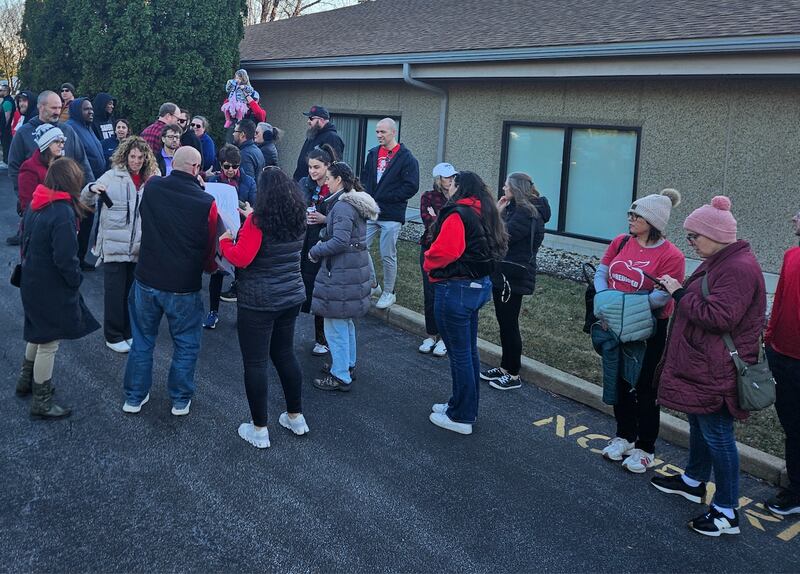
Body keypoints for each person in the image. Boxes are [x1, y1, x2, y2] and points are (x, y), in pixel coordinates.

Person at [651, 195, 766, 537]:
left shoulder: (738, 268)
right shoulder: (723, 261)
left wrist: (679, 293)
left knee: (718, 434)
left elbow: (719, 317)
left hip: (718, 370)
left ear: (715, 234)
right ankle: (693, 480)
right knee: (700, 425)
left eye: (694, 236)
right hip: (704, 365)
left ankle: (727, 511)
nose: (690, 242)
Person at [588, 189, 685, 472]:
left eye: (636, 215)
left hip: (648, 328)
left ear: (653, 221)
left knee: (644, 387)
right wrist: (606, 300)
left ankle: (645, 448)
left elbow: (662, 297)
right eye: (630, 214)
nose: (630, 219)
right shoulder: (620, 242)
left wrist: (620, 306)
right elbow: (601, 272)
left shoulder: (672, 256)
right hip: (613, 323)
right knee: (618, 381)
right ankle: (625, 435)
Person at [122, 147, 218, 416]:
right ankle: (179, 399)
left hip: (147, 277)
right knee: (186, 344)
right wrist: (210, 267)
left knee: (142, 340)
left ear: (172, 164)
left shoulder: (152, 188)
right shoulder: (206, 202)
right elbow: (209, 245)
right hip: (183, 284)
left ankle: (134, 396)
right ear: (197, 169)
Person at [219, 167, 309, 448]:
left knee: (255, 363)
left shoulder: (258, 221)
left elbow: (242, 258)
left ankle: (259, 429)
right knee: (284, 355)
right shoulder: (297, 217)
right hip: (290, 295)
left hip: (259, 301)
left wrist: (224, 242)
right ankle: (296, 416)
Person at [423, 171, 508, 435]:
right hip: (477, 285)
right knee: (467, 351)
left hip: (456, 287)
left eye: (453, 182)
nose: (448, 185)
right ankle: (460, 405)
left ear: (460, 187)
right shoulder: (485, 211)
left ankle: (461, 415)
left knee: (460, 354)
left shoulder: (459, 213)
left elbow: (446, 251)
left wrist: (427, 259)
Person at [16, 157, 99, 417]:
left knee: (36, 333)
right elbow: (65, 258)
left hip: (30, 280)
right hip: (49, 286)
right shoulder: (62, 211)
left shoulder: (37, 202)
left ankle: (25, 381)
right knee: (49, 343)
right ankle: (41, 400)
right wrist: (75, 280)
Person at [80, 136, 159, 353]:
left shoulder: (152, 180)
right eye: (132, 156)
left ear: (146, 159)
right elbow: (85, 199)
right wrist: (91, 188)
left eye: (140, 157)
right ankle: (113, 335)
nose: (136, 161)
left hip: (138, 248)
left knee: (131, 295)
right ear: (125, 155)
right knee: (114, 294)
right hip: (114, 247)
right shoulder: (112, 176)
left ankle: (127, 331)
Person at [309, 161, 380, 392]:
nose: (326, 183)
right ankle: (347, 365)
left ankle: (340, 375)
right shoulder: (354, 202)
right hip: (352, 269)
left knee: (335, 325)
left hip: (340, 272)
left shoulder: (341, 206)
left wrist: (315, 250)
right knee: (345, 322)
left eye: (328, 178)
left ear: (338, 179)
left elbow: (339, 241)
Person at [480, 172, 553, 391]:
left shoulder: (527, 213)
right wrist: (500, 208)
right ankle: (505, 367)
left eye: (506, 186)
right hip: (505, 273)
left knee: (510, 325)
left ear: (516, 188)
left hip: (513, 275)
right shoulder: (518, 209)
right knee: (505, 323)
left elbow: (498, 237)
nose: (503, 189)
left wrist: (497, 212)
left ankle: (513, 374)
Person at [7, 91, 95, 247]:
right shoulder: (24, 133)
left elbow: (81, 160)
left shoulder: (68, 131)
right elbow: (14, 167)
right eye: (53, 107)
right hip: (38, 205)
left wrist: (90, 187)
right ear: (40, 107)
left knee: (66, 245)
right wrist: (22, 197)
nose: (57, 111)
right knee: (41, 249)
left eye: (59, 107)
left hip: (68, 201)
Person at [763, 209, 800, 516]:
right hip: (783, 357)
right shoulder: (791, 255)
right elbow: (780, 301)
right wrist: (769, 341)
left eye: (798, 214)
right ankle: (795, 489)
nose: (793, 218)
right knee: (793, 426)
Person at [362, 118, 420, 310]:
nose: (379, 135)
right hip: (371, 211)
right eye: (377, 132)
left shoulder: (406, 158)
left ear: (393, 132)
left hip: (392, 214)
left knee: (388, 254)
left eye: (382, 132)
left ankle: (389, 292)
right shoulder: (372, 154)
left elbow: (411, 186)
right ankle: (373, 284)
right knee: (359, 246)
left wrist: (389, 197)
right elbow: (366, 178)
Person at [203, 144, 256, 329]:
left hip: (241, 231)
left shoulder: (248, 181)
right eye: (227, 166)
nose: (231, 170)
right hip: (220, 232)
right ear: (220, 165)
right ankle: (213, 311)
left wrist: (244, 209)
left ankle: (242, 315)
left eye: (235, 166)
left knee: (242, 276)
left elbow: (254, 205)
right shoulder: (215, 181)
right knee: (217, 273)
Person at [299, 143, 337, 356]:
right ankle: (320, 337)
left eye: (317, 167)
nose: (312, 171)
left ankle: (324, 339)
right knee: (311, 286)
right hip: (308, 241)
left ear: (327, 166)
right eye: (310, 167)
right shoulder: (306, 184)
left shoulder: (335, 189)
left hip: (327, 242)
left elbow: (344, 217)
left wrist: (324, 219)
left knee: (324, 289)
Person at [417, 162, 455, 358]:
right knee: (430, 293)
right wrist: (439, 220)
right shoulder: (428, 196)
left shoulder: (457, 198)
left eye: (452, 177)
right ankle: (431, 335)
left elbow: (454, 225)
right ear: (438, 180)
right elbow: (428, 222)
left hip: (450, 251)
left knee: (446, 295)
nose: (450, 180)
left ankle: (444, 338)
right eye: (447, 177)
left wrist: (437, 217)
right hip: (430, 248)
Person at [18, 124, 66, 217]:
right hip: (40, 220)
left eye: (62, 141)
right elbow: (27, 202)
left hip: (61, 216)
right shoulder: (29, 167)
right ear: (46, 144)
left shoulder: (62, 164)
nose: (61, 145)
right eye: (56, 142)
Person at [292, 106, 344, 181]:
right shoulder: (313, 135)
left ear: (321, 120)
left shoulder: (332, 138)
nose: (308, 121)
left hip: (316, 187)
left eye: (311, 118)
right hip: (303, 183)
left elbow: (334, 165)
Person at [0, 83, 16, 168]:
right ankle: (6, 160)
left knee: (6, 144)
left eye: (1, 90)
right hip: (6, 129)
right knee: (5, 144)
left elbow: (7, 117)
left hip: (5, 129)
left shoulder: (7, 102)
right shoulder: (7, 100)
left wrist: (2, 129)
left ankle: (6, 162)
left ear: (6, 91)